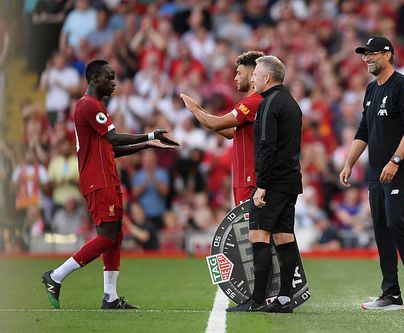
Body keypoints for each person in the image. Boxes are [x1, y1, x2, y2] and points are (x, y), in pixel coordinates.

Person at [41, 59, 179, 310]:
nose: (113, 82)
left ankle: (110, 297)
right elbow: (114, 137)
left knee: (115, 235)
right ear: (94, 79)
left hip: (106, 178)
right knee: (106, 237)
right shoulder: (89, 105)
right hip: (98, 181)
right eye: (109, 77)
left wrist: (148, 145)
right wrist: (149, 135)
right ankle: (56, 276)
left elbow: (112, 147)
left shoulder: (94, 108)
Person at [339, 37, 404, 310]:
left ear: (388, 55)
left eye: (372, 54)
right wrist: (348, 164)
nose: (367, 58)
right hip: (375, 172)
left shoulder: (403, 86)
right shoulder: (371, 90)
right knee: (381, 227)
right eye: (364, 55)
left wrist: (394, 161)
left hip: (399, 169)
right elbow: (363, 131)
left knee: (395, 223)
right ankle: (391, 293)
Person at [226, 55, 302, 313]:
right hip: (291, 180)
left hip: (273, 183)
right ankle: (283, 299)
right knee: (283, 236)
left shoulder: (268, 103)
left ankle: (256, 300)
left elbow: (267, 146)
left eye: (256, 74)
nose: (253, 79)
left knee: (258, 235)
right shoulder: (291, 103)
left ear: (267, 78)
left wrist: (262, 185)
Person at [180, 50, 264, 206]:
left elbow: (216, 123)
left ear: (252, 74)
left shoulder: (253, 102)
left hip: (249, 179)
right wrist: (201, 111)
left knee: (251, 229)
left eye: (239, 73)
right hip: (245, 178)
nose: (235, 78)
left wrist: (193, 108)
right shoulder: (258, 102)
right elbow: (229, 132)